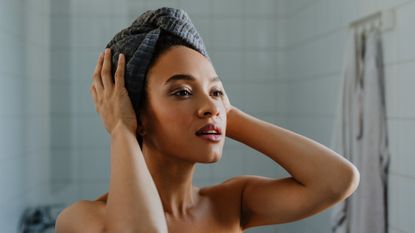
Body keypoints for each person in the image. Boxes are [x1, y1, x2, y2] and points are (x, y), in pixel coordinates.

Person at [55, 7, 360, 233]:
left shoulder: (230, 203)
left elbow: (337, 180)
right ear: (137, 114)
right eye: (182, 91)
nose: (210, 106)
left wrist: (230, 116)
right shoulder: (83, 219)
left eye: (216, 91)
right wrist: (122, 129)